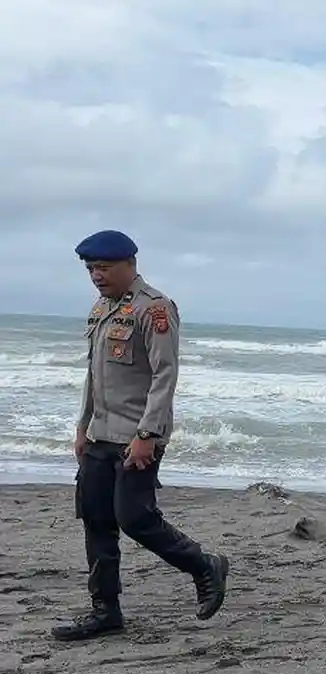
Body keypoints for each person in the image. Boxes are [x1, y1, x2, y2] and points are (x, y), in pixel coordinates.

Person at [51, 230, 230, 642]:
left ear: (130, 263)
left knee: (135, 518)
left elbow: (165, 376)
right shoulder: (101, 309)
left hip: (137, 435)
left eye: (104, 267)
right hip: (100, 435)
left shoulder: (155, 309)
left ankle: (203, 566)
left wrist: (148, 433)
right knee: (96, 520)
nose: (97, 275)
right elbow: (93, 376)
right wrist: (82, 426)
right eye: (91, 269)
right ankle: (105, 611)